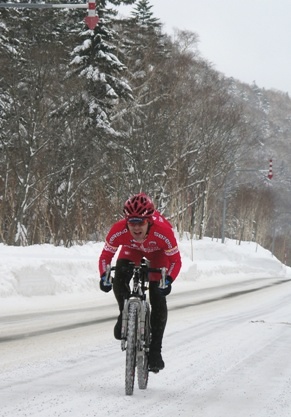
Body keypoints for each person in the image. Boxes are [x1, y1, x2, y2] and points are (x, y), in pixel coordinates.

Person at [98, 193, 182, 371]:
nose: (136, 228)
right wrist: (104, 276)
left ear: (149, 221)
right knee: (119, 276)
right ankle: (124, 312)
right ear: (126, 221)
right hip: (131, 250)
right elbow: (106, 256)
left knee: (157, 295)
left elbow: (175, 261)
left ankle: (155, 352)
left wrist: (168, 280)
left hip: (158, 254)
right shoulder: (118, 230)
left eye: (141, 222)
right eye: (132, 222)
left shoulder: (163, 231)